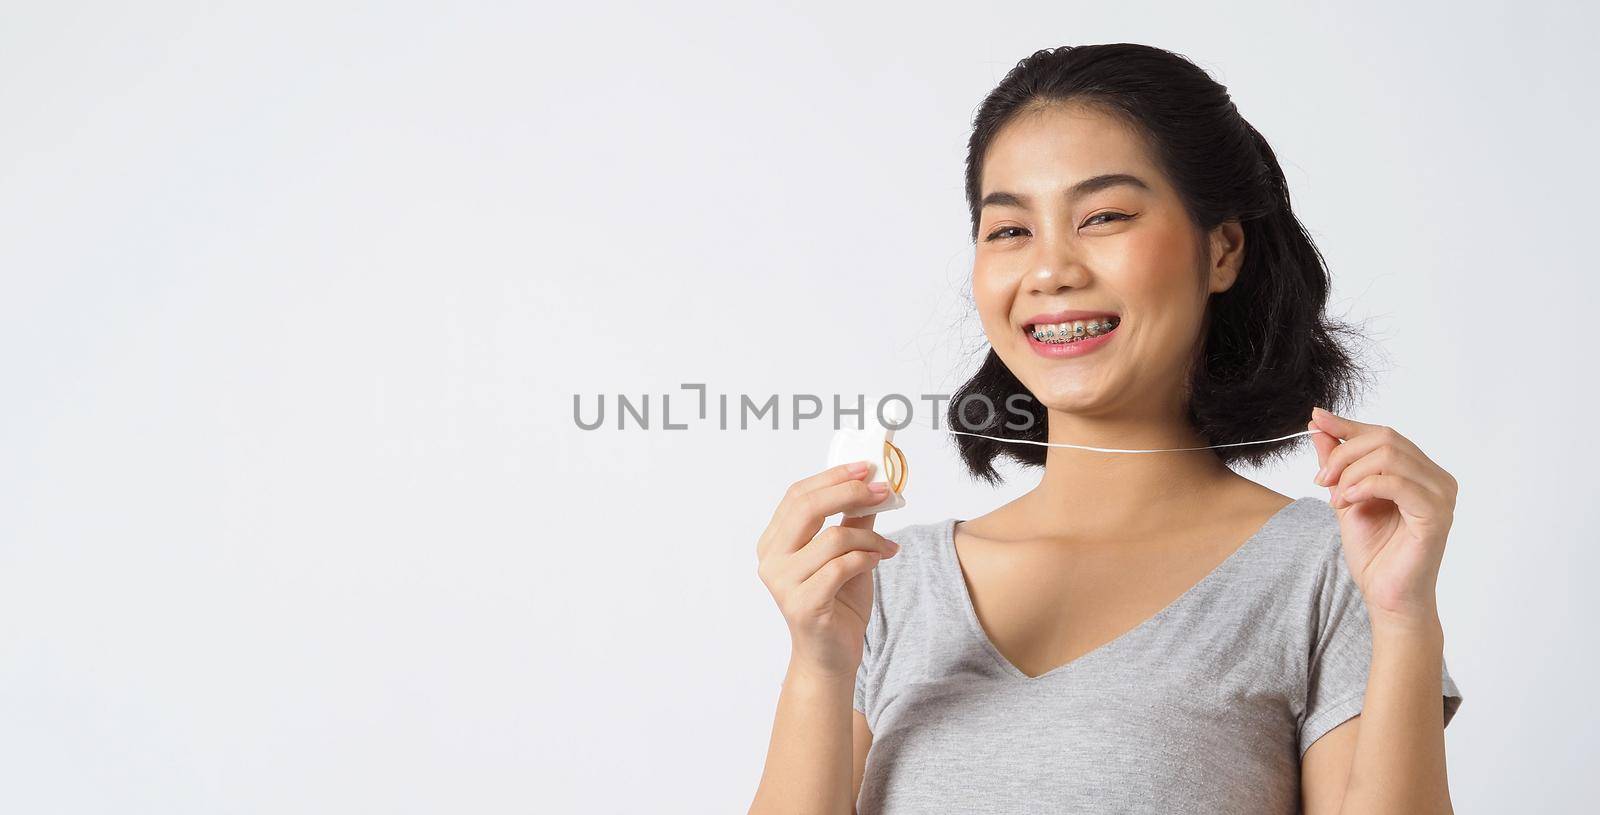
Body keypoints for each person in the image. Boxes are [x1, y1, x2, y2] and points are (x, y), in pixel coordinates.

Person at [747, 44, 1463, 814]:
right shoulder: (885, 581)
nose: (1050, 268)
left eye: (1105, 217)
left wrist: (1404, 621)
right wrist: (820, 664)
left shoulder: (1334, 570)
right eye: (1009, 230)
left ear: (1221, 249)